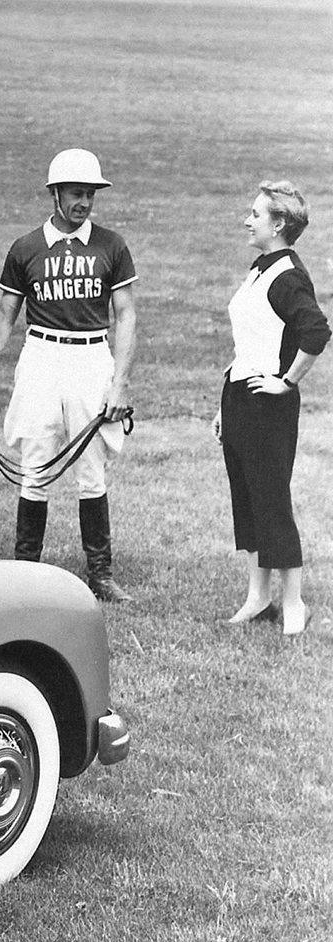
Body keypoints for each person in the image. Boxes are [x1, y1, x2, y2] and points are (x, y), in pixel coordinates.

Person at [0, 149, 139, 601]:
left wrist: (119, 382)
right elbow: (4, 313)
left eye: (90, 194)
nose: (85, 203)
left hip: (90, 358)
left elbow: (126, 314)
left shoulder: (111, 245)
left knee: (91, 468)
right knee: (34, 465)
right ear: (55, 194)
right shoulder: (26, 248)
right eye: (77, 194)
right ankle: (26, 568)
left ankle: (100, 574)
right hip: (41, 356)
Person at [214, 179, 326, 636]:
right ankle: (258, 598)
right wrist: (226, 402)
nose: (247, 219)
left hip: (268, 407)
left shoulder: (287, 276)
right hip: (241, 397)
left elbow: (316, 332)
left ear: (278, 224)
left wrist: (286, 382)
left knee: (272, 502)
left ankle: (293, 603)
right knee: (249, 500)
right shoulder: (260, 267)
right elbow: (250, 341)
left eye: (255, 214)